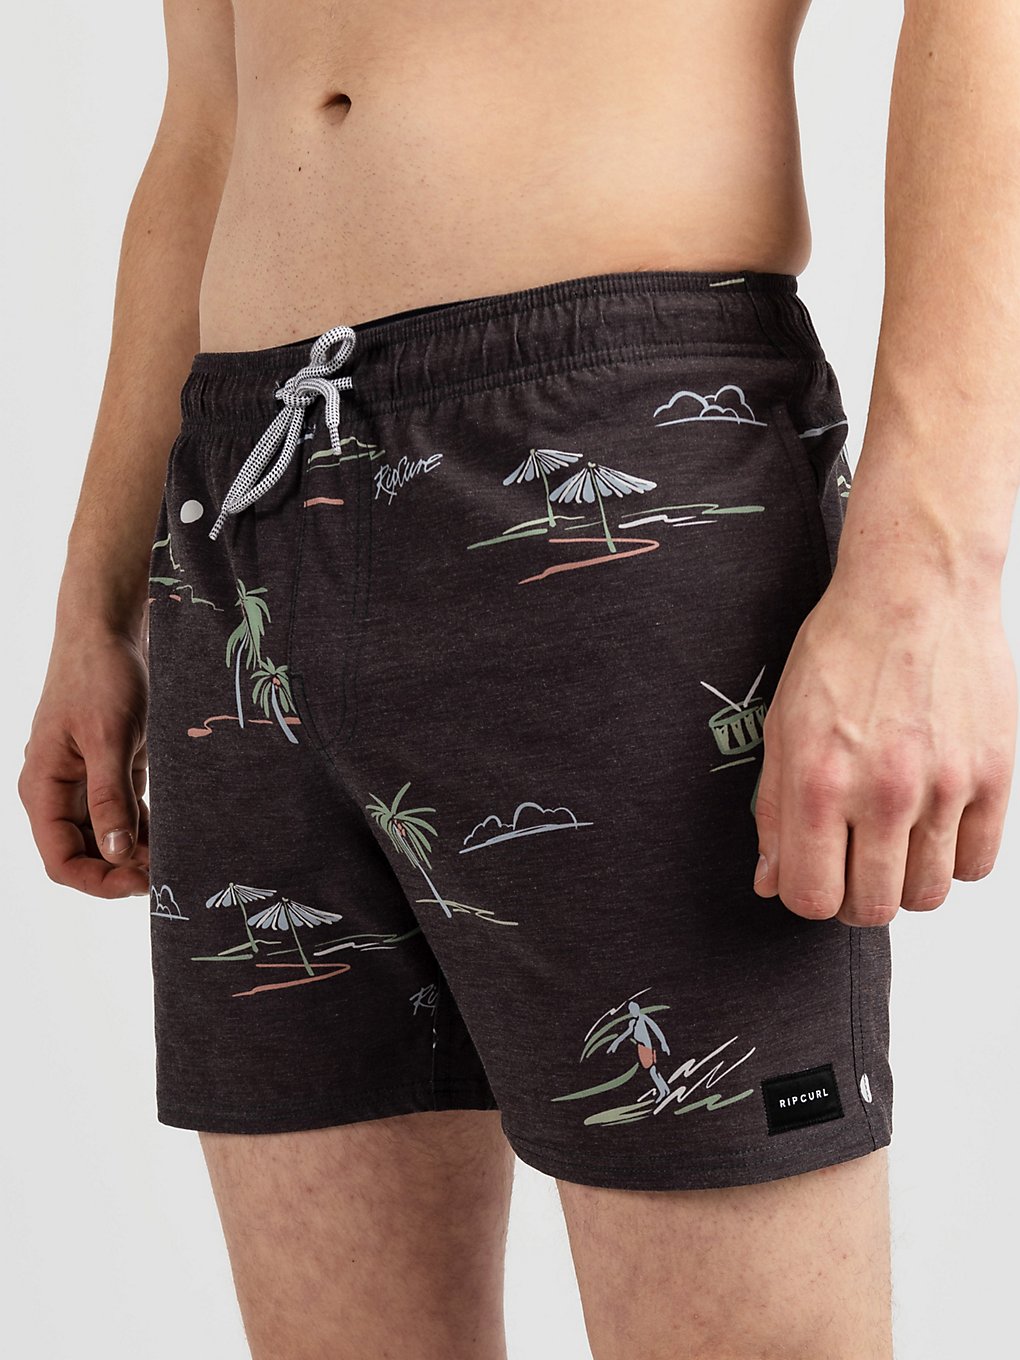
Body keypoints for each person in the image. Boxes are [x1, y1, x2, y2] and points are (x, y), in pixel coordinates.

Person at [18, 2, 1020, 1357]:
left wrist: (930, 573)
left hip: (618, 439)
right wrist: (103, 603)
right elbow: (205, 122)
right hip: (247, 498)